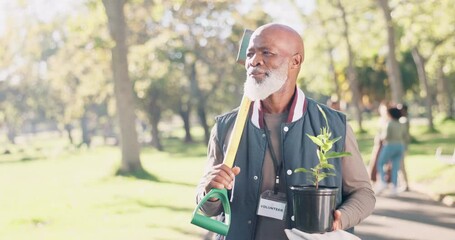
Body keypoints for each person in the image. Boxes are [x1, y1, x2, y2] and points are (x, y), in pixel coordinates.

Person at [195, 23, 375, 240]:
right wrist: (210, 193)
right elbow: (208, 206)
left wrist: (339, 218)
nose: (254, 61)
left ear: (295, 61)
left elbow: (363, 194)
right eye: (250, 53)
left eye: (266, 53)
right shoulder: (226, 126)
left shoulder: (335, 125)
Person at [374, 106, 407, 196]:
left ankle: (383, 182)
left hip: (390, 145)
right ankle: (394, 187)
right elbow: (405, 136)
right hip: (400, 146)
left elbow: (385, 136)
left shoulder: (389, 123)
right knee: (395, 166)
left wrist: (380, 136)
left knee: (380, 163)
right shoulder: (401, 124)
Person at [397, 103, 410, 191]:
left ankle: (405, 184)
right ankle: (402, 183)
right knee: (399, 165)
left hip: (401, 145)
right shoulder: (402, 120)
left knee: (401, 166)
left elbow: (403, 134)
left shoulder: (403, 120)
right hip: (400, 145)